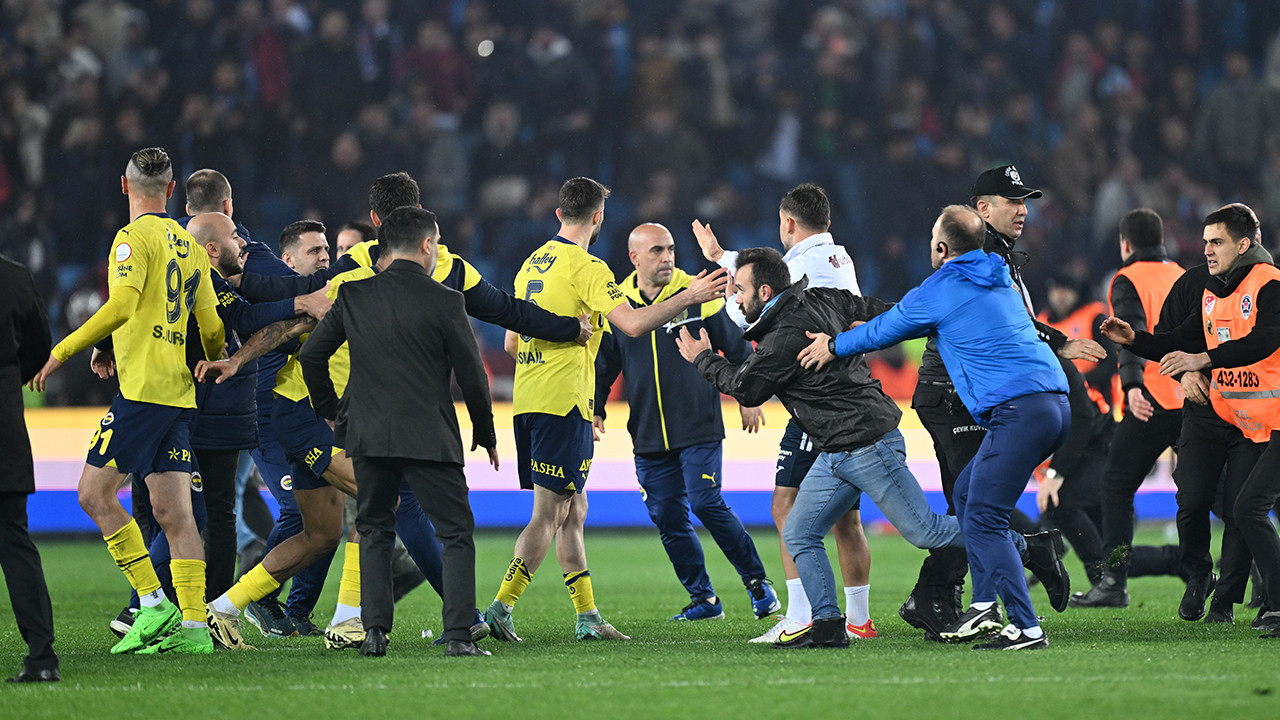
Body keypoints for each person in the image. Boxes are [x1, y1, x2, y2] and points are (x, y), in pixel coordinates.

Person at [677, 241, 1067, 650]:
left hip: (867, 443)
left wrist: (703, 357)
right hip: (836, 448)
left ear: (765, 292)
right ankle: (827, 624)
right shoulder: (820, 298)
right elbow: (874, 309)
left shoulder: (783, 338)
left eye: (738, 289)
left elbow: (746, 388)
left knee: (927, 531)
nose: (734, 298)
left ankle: (1030, 547)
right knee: (799, 532)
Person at [797, 205, 1072, 650]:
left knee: (982, 516)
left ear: (942, 248)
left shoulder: (943, 285)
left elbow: (886, 329)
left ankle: (1025, 626)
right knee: (966, 496)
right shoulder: (998, 273)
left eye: (932, 239)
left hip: (1018, 410)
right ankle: (984, 603)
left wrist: (833, 344)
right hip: (1053, 404)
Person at [483, 177, 728, 643]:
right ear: (598, 218)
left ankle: (588, 616)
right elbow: (633, 324)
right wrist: (689, 297)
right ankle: (500, 606)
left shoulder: (531, 263)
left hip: (529, 399)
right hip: (563, 402)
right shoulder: (587, 267)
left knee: (573, 509)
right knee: (549, 514)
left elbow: (513, 341)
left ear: (559, 214)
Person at [29, 147, 225, 655]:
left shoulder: (129, 240)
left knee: (93, 496)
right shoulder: (187, 243)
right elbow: (210, 324)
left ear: (124, 186)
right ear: (172, 186)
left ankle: (152, 601)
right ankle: (194, 632)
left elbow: (121, 305)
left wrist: (61, 350)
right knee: (174, 514)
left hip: (141, 394)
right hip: (179, 394)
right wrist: (215, 359)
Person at [896, 165, 1102, 640]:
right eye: (1014, 201)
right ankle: (1010, 565)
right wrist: (1057, 343)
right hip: (952, 395)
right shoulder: (981, 254)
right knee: (973, 502)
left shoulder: (996, 253)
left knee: (972, 503)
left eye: (1025, 200)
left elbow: (1017, 325)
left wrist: (1055, 344)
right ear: (983, 209)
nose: (1024, 209)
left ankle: (972, 596)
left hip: (971, 396)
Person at [301, 206, 498, 657]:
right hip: (431, 435)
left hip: (367, 434)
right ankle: (459, 637)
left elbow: (313, 357)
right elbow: (473, 375)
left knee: (373, 528)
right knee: (454, 533)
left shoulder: (354, 297)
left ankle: (374, 633)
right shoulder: (447, 300)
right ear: (428, 245)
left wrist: (333, 412)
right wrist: (485, 432)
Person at [692, 182, 875, 643]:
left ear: (788, 224)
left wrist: (726, 296)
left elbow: (761, 306)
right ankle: (858, 620)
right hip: (847, 393)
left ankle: (799, 617)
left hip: (817, 400)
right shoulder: (837, 258)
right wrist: (723, 258)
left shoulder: (799, 269)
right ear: (828, 223)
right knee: (846, 519)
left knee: (786, 507)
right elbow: (768, 277)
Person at [1101, 204, 1280, 636]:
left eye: (1216, 242)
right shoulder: (1199, 285)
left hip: (1261, 420)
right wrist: (1137, 341)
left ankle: (1226, 599)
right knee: (1194, 501)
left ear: (1244, 244)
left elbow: (1264, 339)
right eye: (1204, 242)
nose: (1207, 250)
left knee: (1243, 511)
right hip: (1211, 410)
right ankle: (1200, 575)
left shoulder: (1270, 285)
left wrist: (1202, 360)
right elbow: (1179, 340)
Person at [593, 223, 778, 623]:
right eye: (657, 251)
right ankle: (704, 600)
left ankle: (758, 583)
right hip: (646, 434)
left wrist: (749, 395)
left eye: (671, 249)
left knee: (706, 502)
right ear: (634, 258)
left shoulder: (699, 294)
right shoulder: (618, 304)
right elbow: (606, 364)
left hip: (699, 426)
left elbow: (738, 346)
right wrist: (597, 407)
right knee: (667, 517)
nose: (668, 258)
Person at [1073, 208, 1188, 609]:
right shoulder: (1182, 274)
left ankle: (1114, 580)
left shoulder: (1127, 279)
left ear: (1125, 243)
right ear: (1161, 240)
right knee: (1222, 495)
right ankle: (1257, 572)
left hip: (1151, 402)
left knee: (1116, 488)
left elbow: (1130, 332)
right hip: (1192, 399)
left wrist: (1133, 385)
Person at [0, 255, 58, 681]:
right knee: (15, 543)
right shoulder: (15, 276)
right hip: (4, 432)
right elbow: (40, 347)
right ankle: (41, 659)